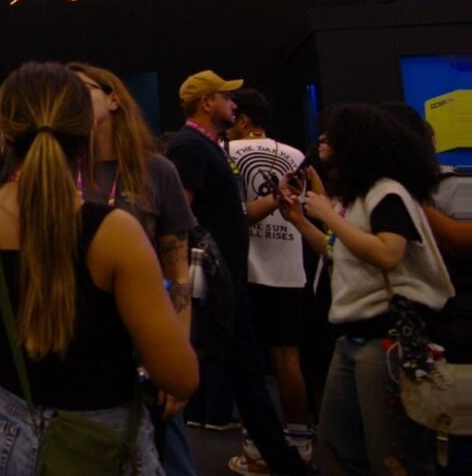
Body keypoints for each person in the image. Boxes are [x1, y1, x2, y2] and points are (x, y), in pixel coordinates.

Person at [0, 61, 199, 475]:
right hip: (102, 442)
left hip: (2, 440)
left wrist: (14, 407)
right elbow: (179, 376)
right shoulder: (116, 233)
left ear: (4, 133)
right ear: (85, 130)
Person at [279, 105, 453, 475]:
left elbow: (388, 253)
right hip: (354, 337)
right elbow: (339, 251)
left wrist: (327, 215)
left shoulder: (386, 193)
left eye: (333, 136)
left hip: (384, 338)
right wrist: (299, 220)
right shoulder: (357, 198)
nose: (322, 140)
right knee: (336, 448)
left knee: (390, 453)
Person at [164, 71, 310, 475]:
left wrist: (276, 199)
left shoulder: (206, 147)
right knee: (233, 377)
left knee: (247, 379)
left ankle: (282, 461)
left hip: (226, 282)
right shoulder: (191, 147)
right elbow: (179, 217)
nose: (234, 105)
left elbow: (229, 216)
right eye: (227, 97)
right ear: (207, 102)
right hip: (215, 284)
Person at [66, 62, 199, 473]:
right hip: (75, 347)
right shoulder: (57, 172)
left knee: (168, 456)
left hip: (145, 340)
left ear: (114, 99)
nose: (69, 98)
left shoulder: (156, 171)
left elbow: (178, 273)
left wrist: (177, 352)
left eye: (81, 88)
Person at [226, 87, 313, 473]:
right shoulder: (295, 155)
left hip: (245, 269)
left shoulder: (227, 153)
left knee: (248, 362)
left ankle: (255, 446)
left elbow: (229, 213)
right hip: (289, 268)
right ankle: (301, 441)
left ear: (243, 119)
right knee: (287, 357)